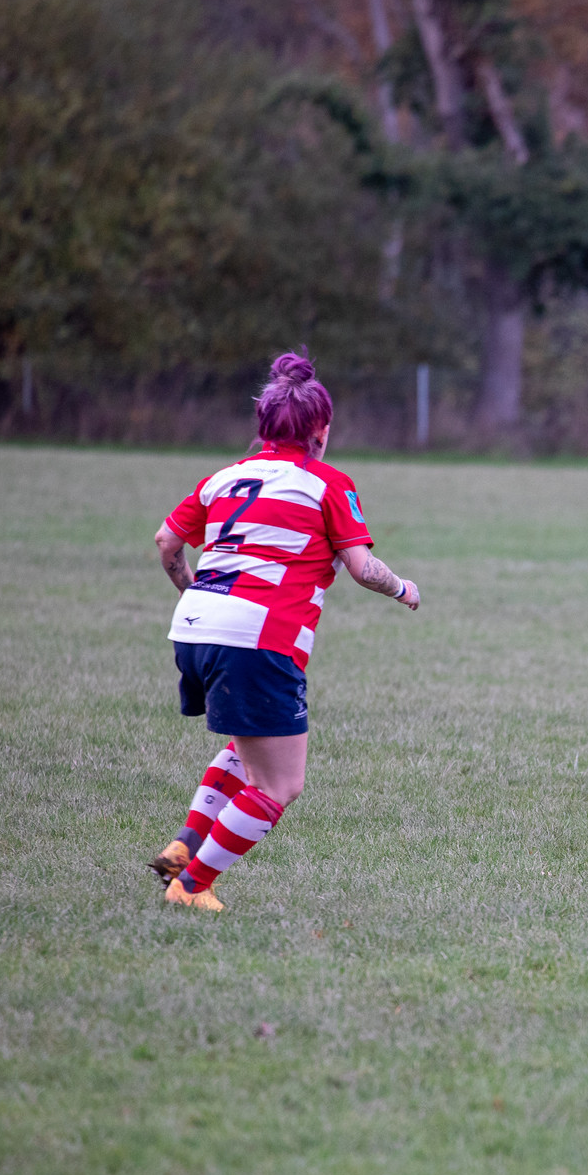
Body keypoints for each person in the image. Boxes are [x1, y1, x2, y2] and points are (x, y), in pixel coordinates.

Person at [146, 353, 421, 911]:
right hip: (259, 637)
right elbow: (363, 567)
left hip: (193, 628)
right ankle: (191, 886)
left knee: (249, 749)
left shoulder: (223, 477)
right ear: (321, 431)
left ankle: (187, 843)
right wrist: (404, 589)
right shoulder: (326, 483)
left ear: (263, 428)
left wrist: (199, 597)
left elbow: (166, 544)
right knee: (279, 787)